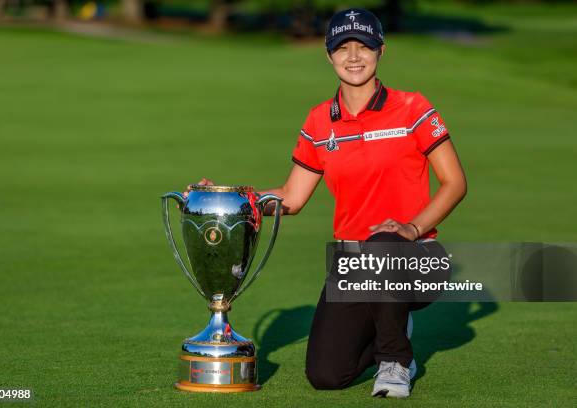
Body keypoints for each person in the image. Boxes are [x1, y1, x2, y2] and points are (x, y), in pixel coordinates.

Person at [193, 8, 467, 398]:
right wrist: (229, 197)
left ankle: (396, 359)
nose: (353, 56)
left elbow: (455, 182)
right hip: (354, 264)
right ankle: (387, 323)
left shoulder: (413, 109)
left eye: (364, 46)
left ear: (381, 51)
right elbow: (291, 198)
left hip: (416, 255)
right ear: (328, 55)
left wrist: (411, 228)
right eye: (343, 47)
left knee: (384, 245)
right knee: (326, 375)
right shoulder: (320, 122)